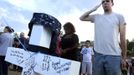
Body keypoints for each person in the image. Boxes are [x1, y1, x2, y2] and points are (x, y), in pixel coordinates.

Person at [80, 0, 127, 75]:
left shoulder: (119, 17)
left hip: (114, 56)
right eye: (103, 2)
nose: (105, 3)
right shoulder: (96, 17)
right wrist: (93, 9)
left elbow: (123, 37)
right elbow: (81, 18)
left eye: (107, 1)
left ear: (112, 3)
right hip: (98, 55)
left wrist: (124, 57)